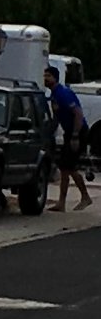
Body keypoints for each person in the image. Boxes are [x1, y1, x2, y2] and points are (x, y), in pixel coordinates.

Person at [44, 66, 93, 211]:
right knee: (65, 167)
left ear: (55, 78)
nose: (45, 79)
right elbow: (57, 118)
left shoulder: (64, 93)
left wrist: (75, 136)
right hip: (69, 132)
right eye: (44, 75)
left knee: (69, 167)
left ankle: (85, 197)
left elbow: (78, 114)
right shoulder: (54, 95)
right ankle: (61, 203)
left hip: (77, 132)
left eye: (48, 76)